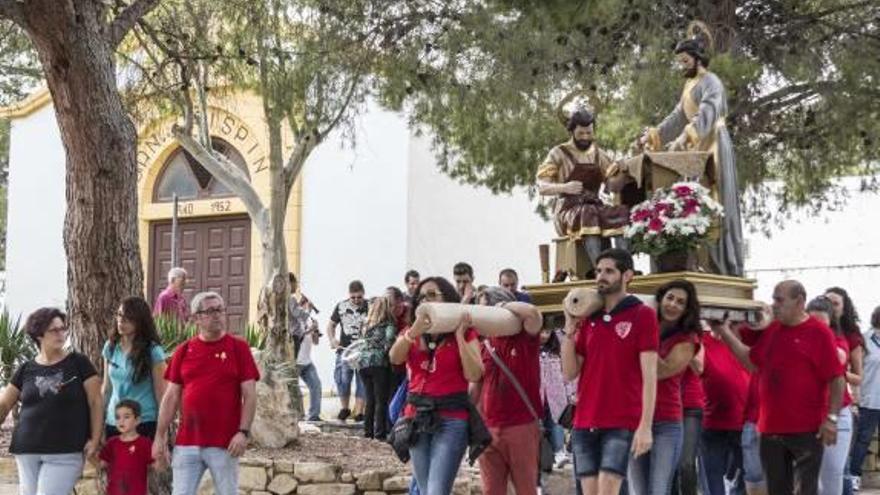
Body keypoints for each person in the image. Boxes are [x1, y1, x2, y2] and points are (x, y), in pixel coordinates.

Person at [717, 280, 845, 495]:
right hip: (770, 430)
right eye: (773, 298)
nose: (774, 304)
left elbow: (837, 378)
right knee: (777, 490)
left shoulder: (819, 333)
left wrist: (832, 419)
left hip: (807, 430)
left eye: (780, 300)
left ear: (800, 301)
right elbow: (751, 362)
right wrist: (725, 332)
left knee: (806, 490)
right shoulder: (774, 329)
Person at [637, 22, 744, 277]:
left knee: (714, 199)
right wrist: (655, 134)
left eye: (685, 61)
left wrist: (688, 135)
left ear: (697, 59)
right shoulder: (690, 84)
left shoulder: (711, 82)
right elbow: (678, 116)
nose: (682, 66)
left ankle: (720, 265)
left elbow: (708, 111)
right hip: (697, 147)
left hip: (713, 143)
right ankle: (698, 260)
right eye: (680, 62)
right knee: (695, 202)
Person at [562, 248, 659, 495]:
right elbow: (570, 372)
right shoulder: (588, 318)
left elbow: (650, 377)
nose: (601, 277)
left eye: (609, 271)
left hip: (620, 421)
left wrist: (645, 426)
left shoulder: (642, 314)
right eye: (598, 271)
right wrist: (570, 331)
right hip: (584, 421)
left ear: (627, 275)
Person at [152, 291, 260, 495]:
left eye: (220, 309)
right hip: (187, 442)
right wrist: (160, 436)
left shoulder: (239, 348)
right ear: (196, 318)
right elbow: (171, 397)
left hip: (225, 443)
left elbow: (250, 394)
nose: (217, 314)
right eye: (210, 311)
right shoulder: (183, 350)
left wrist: (243, 432)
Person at [388, 276, 488, 495]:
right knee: (425, 490)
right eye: (422, 296)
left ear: (448, 299)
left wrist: (460, 337)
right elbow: (395, 358)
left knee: (436, 491)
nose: (426, 300)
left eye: (432, 295)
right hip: (416, 417)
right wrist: (412, 333)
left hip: (451, 420)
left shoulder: (466, 333)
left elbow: (474, 373)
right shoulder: (411, 332)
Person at [0, 307, 102, 495]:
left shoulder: (79, 363)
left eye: (63, 329)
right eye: (55, 330)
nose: (61, 334)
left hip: (66, 450)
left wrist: (95, 439)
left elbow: (96, 402)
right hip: (26, 449)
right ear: (39, 335)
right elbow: (5, 404)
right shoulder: (25, 369)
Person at [628, 280, 701, 495]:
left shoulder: (688, 338)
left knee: (658, 490)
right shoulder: (641, 325)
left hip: (666, 422)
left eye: (680, 302)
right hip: (635, 417)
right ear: (660, 300)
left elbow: (662, 371)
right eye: (670, 298)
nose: (673, 305)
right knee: (638, 490)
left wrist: (644, 334)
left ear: (687, 309)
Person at [536, 108, 631, 268]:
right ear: (572, 131)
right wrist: (565, 187)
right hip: (567, 209)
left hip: (593, 205)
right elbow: (542, 186)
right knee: (589, 212)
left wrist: (622, 169)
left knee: (620, 211)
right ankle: (599, 268)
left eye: (589, 133)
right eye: (581, 133)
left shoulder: (599, 154)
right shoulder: (558, 153)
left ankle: (625, 267)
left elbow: (612, 185)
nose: (586, 137)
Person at [475, 287, 543, 495]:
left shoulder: (524, 338)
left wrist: (500, 307)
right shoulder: (483, 345)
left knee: (525, 488)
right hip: (488, 428)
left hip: (521, 425)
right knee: (491, 490)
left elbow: (532, 312)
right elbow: (475, 387)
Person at [807, 297, 857, 495]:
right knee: (808, 479)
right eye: (812, 323)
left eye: (822, 325)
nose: (817, 329)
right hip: (808, 415)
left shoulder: (838, 341)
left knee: (831, 477)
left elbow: (839, 357)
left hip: (836, 415)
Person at [102, 296, 166, 440]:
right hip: (114, 422)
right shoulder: (110, 347)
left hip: (143, 422)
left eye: (128, 317)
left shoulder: (153, 351)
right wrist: (98, 424)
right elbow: (106, 388)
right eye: (119, 315)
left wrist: (163, 434)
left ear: (140, 321)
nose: (121, 321)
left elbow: (162, 395)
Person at [699, 319, 750, 495]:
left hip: (745, 422)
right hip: (713, 421)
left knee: (748, 476)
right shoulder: (702, 339)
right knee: (713, 479)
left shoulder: (746, 339)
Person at [849, 306, 880, 492]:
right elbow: (855, 370)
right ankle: (854, 475)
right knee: (863, 439)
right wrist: (856, 396)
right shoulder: (865, 340)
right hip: (870, 399)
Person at [357, 296, 398, 440]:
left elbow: (359, 342)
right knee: (381, 399)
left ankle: (368, 432)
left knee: (370, 398)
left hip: (363, 364)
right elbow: (389, 342)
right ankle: (379, 433)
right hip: (378, 363)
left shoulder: (366, 323)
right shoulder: (388, 323)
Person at [327, 280, 368, 421]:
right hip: (345, 350)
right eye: (353, 297)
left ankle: (359, 412)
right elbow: (331, 325)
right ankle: (345, 408)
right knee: (343, 380)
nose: (356, 300)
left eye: (359, 297)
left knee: (362, 381)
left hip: (363, 351)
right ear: (349, 295)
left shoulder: (370, 306)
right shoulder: (341, 306)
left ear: (363, 294)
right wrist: (332, 339)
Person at [98, 400, 156, 495]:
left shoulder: (145, 443)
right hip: (114, 491)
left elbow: (156, 467)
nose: (121, 421)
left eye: (126, 417)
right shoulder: (112, 443)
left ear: (137, 420)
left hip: (137, 491)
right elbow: (101, 465)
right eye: (118, 417)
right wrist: (90, 454)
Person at [539, 319, 575, 467]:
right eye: (541, 332)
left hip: (556, 395)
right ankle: (544, 456)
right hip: (538, 396)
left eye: (547, 332)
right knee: (540, 424)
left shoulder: (556, 349)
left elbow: (566, 373)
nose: (544, 336)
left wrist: (570, 393)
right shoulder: (530, 350)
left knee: (556, 423)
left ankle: (559, 452)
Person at [673, 354, 705, 495]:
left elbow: (699, 367)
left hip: (691, 407)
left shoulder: (694, 338)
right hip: (666, 407)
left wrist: (685, 346)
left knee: (686, 463)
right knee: (670, 466)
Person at [297, 317, 323, 422]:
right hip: (295, 362)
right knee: (294, 390)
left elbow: (316, 342)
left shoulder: (309, 320)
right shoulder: (294, 320)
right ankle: (298, 416)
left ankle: (314, 416)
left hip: (307, 361)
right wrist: (310, 329)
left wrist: (316, 330)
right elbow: (297, 337)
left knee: (316, 385)